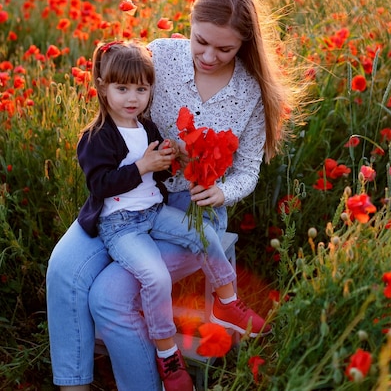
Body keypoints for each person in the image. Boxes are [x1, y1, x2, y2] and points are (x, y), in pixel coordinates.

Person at [46, 0, 297, 390]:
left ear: (245, 45)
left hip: (190, 209)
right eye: (201, 41)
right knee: (65, 270)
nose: (209, 56)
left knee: (109, 297)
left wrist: (223, 191)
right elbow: (117, 79)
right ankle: (74, 383)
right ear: (190, 22)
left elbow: (249, 167)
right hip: (125, 199)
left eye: (225, 49)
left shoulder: (251, 90)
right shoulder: (161, 55)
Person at [75, 39, 270, 391]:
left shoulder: (145, 128)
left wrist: (170, 161)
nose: (132, 98)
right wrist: (142, 166)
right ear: (103, 89)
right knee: (157, 278)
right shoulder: (95, 137)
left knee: (205, 235)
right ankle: (167, 356)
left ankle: (227, 303)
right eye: (122, 89)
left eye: (141, 89)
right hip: (122, 228)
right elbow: (101, 184)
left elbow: (156, 176)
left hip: (153, 211)